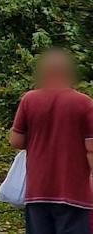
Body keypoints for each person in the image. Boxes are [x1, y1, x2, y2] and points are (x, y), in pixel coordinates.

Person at [9, 49, 93, 234]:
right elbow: (91, 148)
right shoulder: (84, 103)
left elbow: (16, 141)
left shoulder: (29, 100)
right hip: (74, 192)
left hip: (37, 190)